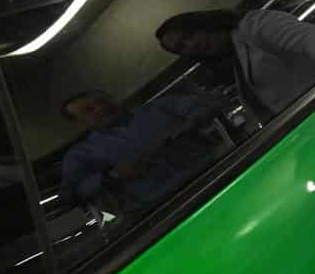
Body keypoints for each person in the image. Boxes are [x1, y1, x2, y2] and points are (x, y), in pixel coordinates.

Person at [59, 89, 229, 214]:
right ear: (80, 122)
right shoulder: (81, 154)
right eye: (89, 109)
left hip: (218, 175)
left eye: (102, 100)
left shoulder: (160, 107)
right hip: (161, 210)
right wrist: (110, 176)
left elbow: (209, 102)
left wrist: (194, 118)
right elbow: (71, 195)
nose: (100, 108)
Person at [157, 8, 315, 117]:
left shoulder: (254, 26)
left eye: (189, 35)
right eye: (182, 47)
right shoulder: (235, 62)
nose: (192, 45)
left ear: (202, 24)